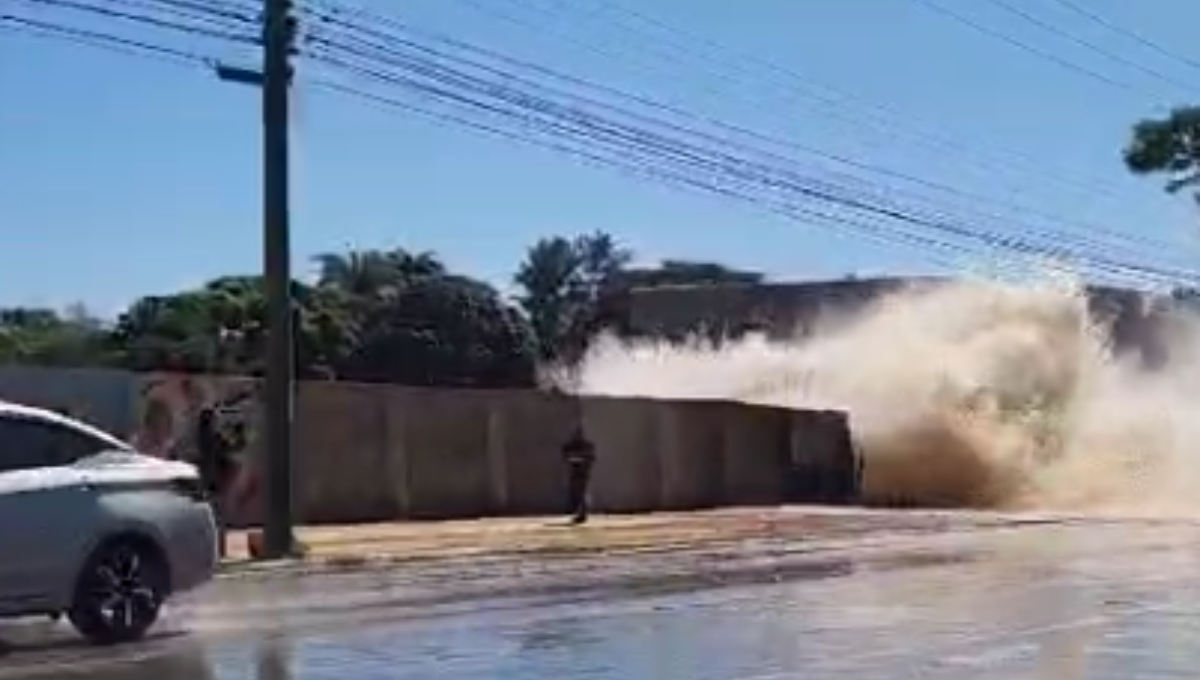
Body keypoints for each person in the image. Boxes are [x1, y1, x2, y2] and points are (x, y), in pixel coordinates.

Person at [560, 425, 596, 525]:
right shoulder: (576, 446)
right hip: (577, 473)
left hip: (583, 473)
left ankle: (582, 513)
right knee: (577, 492)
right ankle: (579, 512)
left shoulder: (586, 446)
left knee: (582, 493)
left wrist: (577, 460)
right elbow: (566, 455)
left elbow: (590, 458)